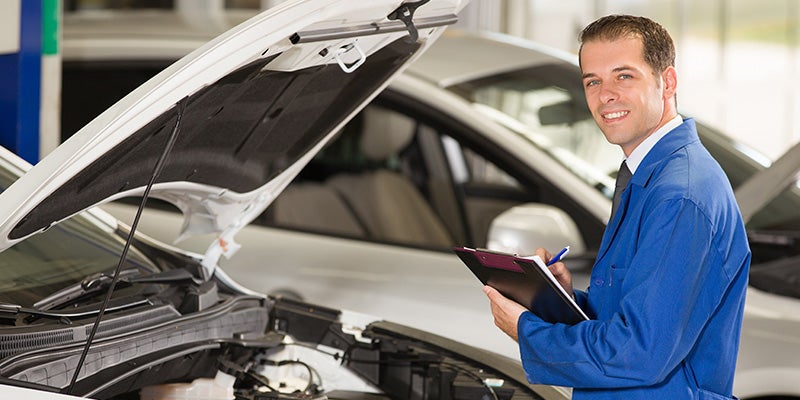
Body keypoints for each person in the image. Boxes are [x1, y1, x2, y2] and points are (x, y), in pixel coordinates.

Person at [482, 14, 751, 400]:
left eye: (624, 76)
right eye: (593, 81)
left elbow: (639, 352)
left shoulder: (680, 195)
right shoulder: (648, 175)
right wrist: (560, 301)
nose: (605, 94)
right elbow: (635, 315)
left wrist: (528, 331)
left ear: (668, 81)